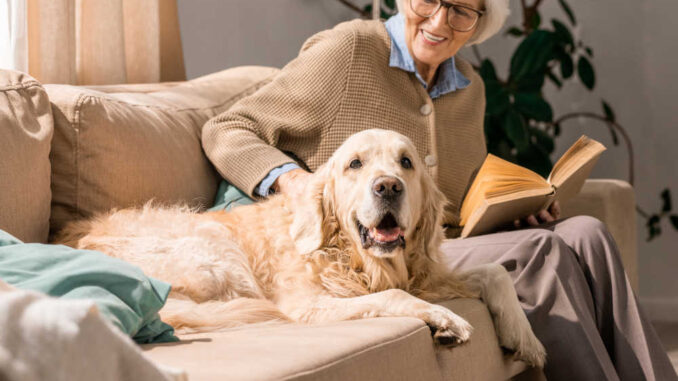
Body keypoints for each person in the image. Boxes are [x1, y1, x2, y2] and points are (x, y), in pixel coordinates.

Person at [201, 0, 677, 379]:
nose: (440, 20)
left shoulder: (470, 86)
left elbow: (455, 197)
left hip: (438, 242)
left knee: (586, 232)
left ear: (479, 21)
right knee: (544, 253)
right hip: (364, 251)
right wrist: (296, 182)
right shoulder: (348, 51)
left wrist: (517, 210)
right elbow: (228, 128)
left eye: (461, 9)